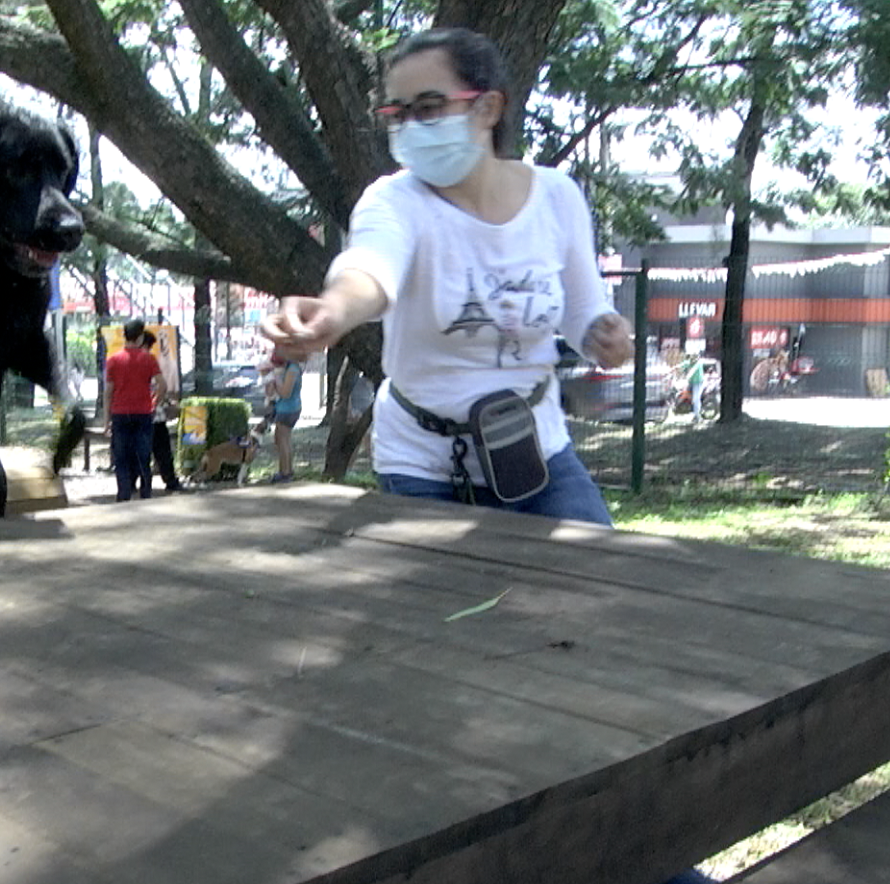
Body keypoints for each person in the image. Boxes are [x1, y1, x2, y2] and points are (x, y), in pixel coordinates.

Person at [261, 27, 633, 524]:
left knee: (597, 584)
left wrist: (602, 333)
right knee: (437, 601)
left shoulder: (557, 196)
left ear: (488, 109)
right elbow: (369, 270)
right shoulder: (393, 201)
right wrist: (331, 312)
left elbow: (583, 310)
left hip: (538, 452)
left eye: (429, 107)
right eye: (398, 113)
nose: (410, 125)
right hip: (424, 466)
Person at [103, 319, 169, 501]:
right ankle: (145, 494)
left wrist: (106, 421)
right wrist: (154, 403)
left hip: (120, 413)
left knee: (122, 457)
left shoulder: (114, 360)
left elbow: (108, 392)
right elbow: (163, 385)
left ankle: (124, 494)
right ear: (140, 337)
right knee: (143, 456)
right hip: (143, 413)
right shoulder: (149, 359)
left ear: (125, 336)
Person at [264, 349, 305, 482]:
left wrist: (276, 380)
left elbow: (285, 392)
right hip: (285, 408)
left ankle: (285, 473)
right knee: (281, 439)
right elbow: (271, 392)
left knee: (283, 440)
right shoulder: (287, 368)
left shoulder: (293, 369)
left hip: (289, 409)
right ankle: (285, 470)